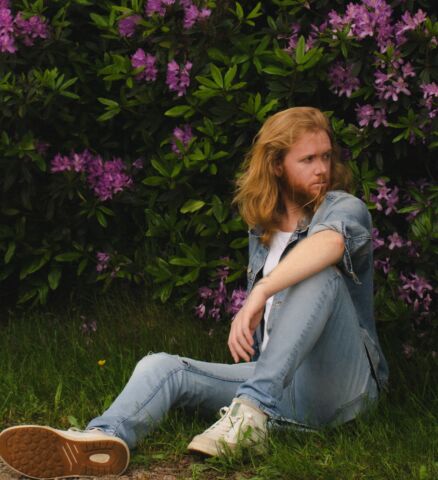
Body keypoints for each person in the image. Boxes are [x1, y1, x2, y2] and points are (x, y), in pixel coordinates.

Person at [0, 107, 388, 479]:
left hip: (341, 390)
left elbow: (331, 246)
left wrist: (261, 291)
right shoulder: (262, 232)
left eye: (325, 156)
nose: (322, 168)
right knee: (163, 366)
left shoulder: (343, 207)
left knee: (318, 276)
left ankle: (250, 414)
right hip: (280, 389)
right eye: (307, 159)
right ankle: (104, 438)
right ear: (276, 165)